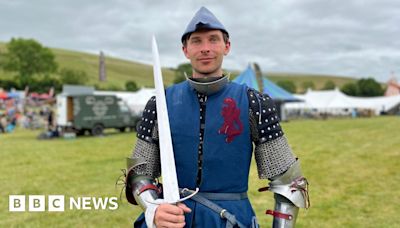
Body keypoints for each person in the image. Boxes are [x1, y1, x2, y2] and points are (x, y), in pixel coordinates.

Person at [125, 6, 309, 228]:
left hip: (230, 219)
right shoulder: (160, 103)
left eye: (213, 40)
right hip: (172, 219)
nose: (205, 49)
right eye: (196, 41)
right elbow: (139, 174)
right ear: (185, 50)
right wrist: (153, 208)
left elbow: (288, 182)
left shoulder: (254, 103)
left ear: (227, 46)